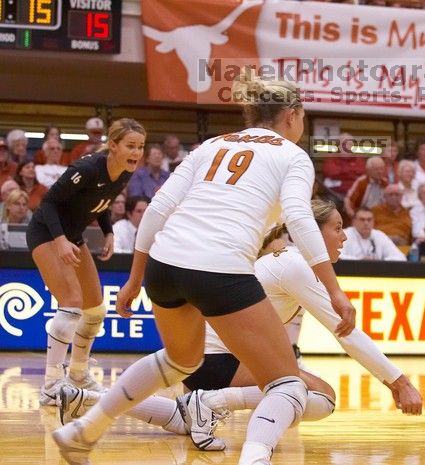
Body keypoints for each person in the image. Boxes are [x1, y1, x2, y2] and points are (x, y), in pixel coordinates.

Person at [52, 71, 357, 465]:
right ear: (292, 115)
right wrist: (334, 290)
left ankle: (83, 430)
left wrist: (135, 277)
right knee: (287, 383)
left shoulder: (212, 145)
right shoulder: (292, 155)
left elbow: (159, 209)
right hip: (219, 266)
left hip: (165, 263)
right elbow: (300, 218)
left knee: (180, 360)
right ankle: (254, 459)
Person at [57, 200, 423, 450]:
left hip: (204, 361)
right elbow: (348, 333)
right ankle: (216, 406)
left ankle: (83, 399)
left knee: (187, 419)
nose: (344, 237)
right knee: (322, 396)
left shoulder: (284, 260)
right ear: (310, 232)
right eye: (337, 228)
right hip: (217, 361)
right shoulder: (293, 263)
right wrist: (398, 381)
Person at [27, 118, 146, 407]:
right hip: (46, 232)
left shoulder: (124, 172)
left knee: (94, 310)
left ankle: (78, 374)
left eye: (141, 147)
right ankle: (52, 385)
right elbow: (49, 204)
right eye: (130, 146)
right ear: (113, 145)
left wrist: (107, 231)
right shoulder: (87, 168)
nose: (136, 153)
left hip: (73, 235)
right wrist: (59, 241)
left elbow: (102, 202)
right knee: (71, 302)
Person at [340, 207, 407, 261]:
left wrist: (379, 262)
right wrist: (359, 261)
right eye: (362, 219)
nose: (366, 223)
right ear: (354, 221)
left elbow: (401, 258)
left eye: (369, 220)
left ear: (373, 222)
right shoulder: (343, 235)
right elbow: (337, 257)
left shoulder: (379, 235)